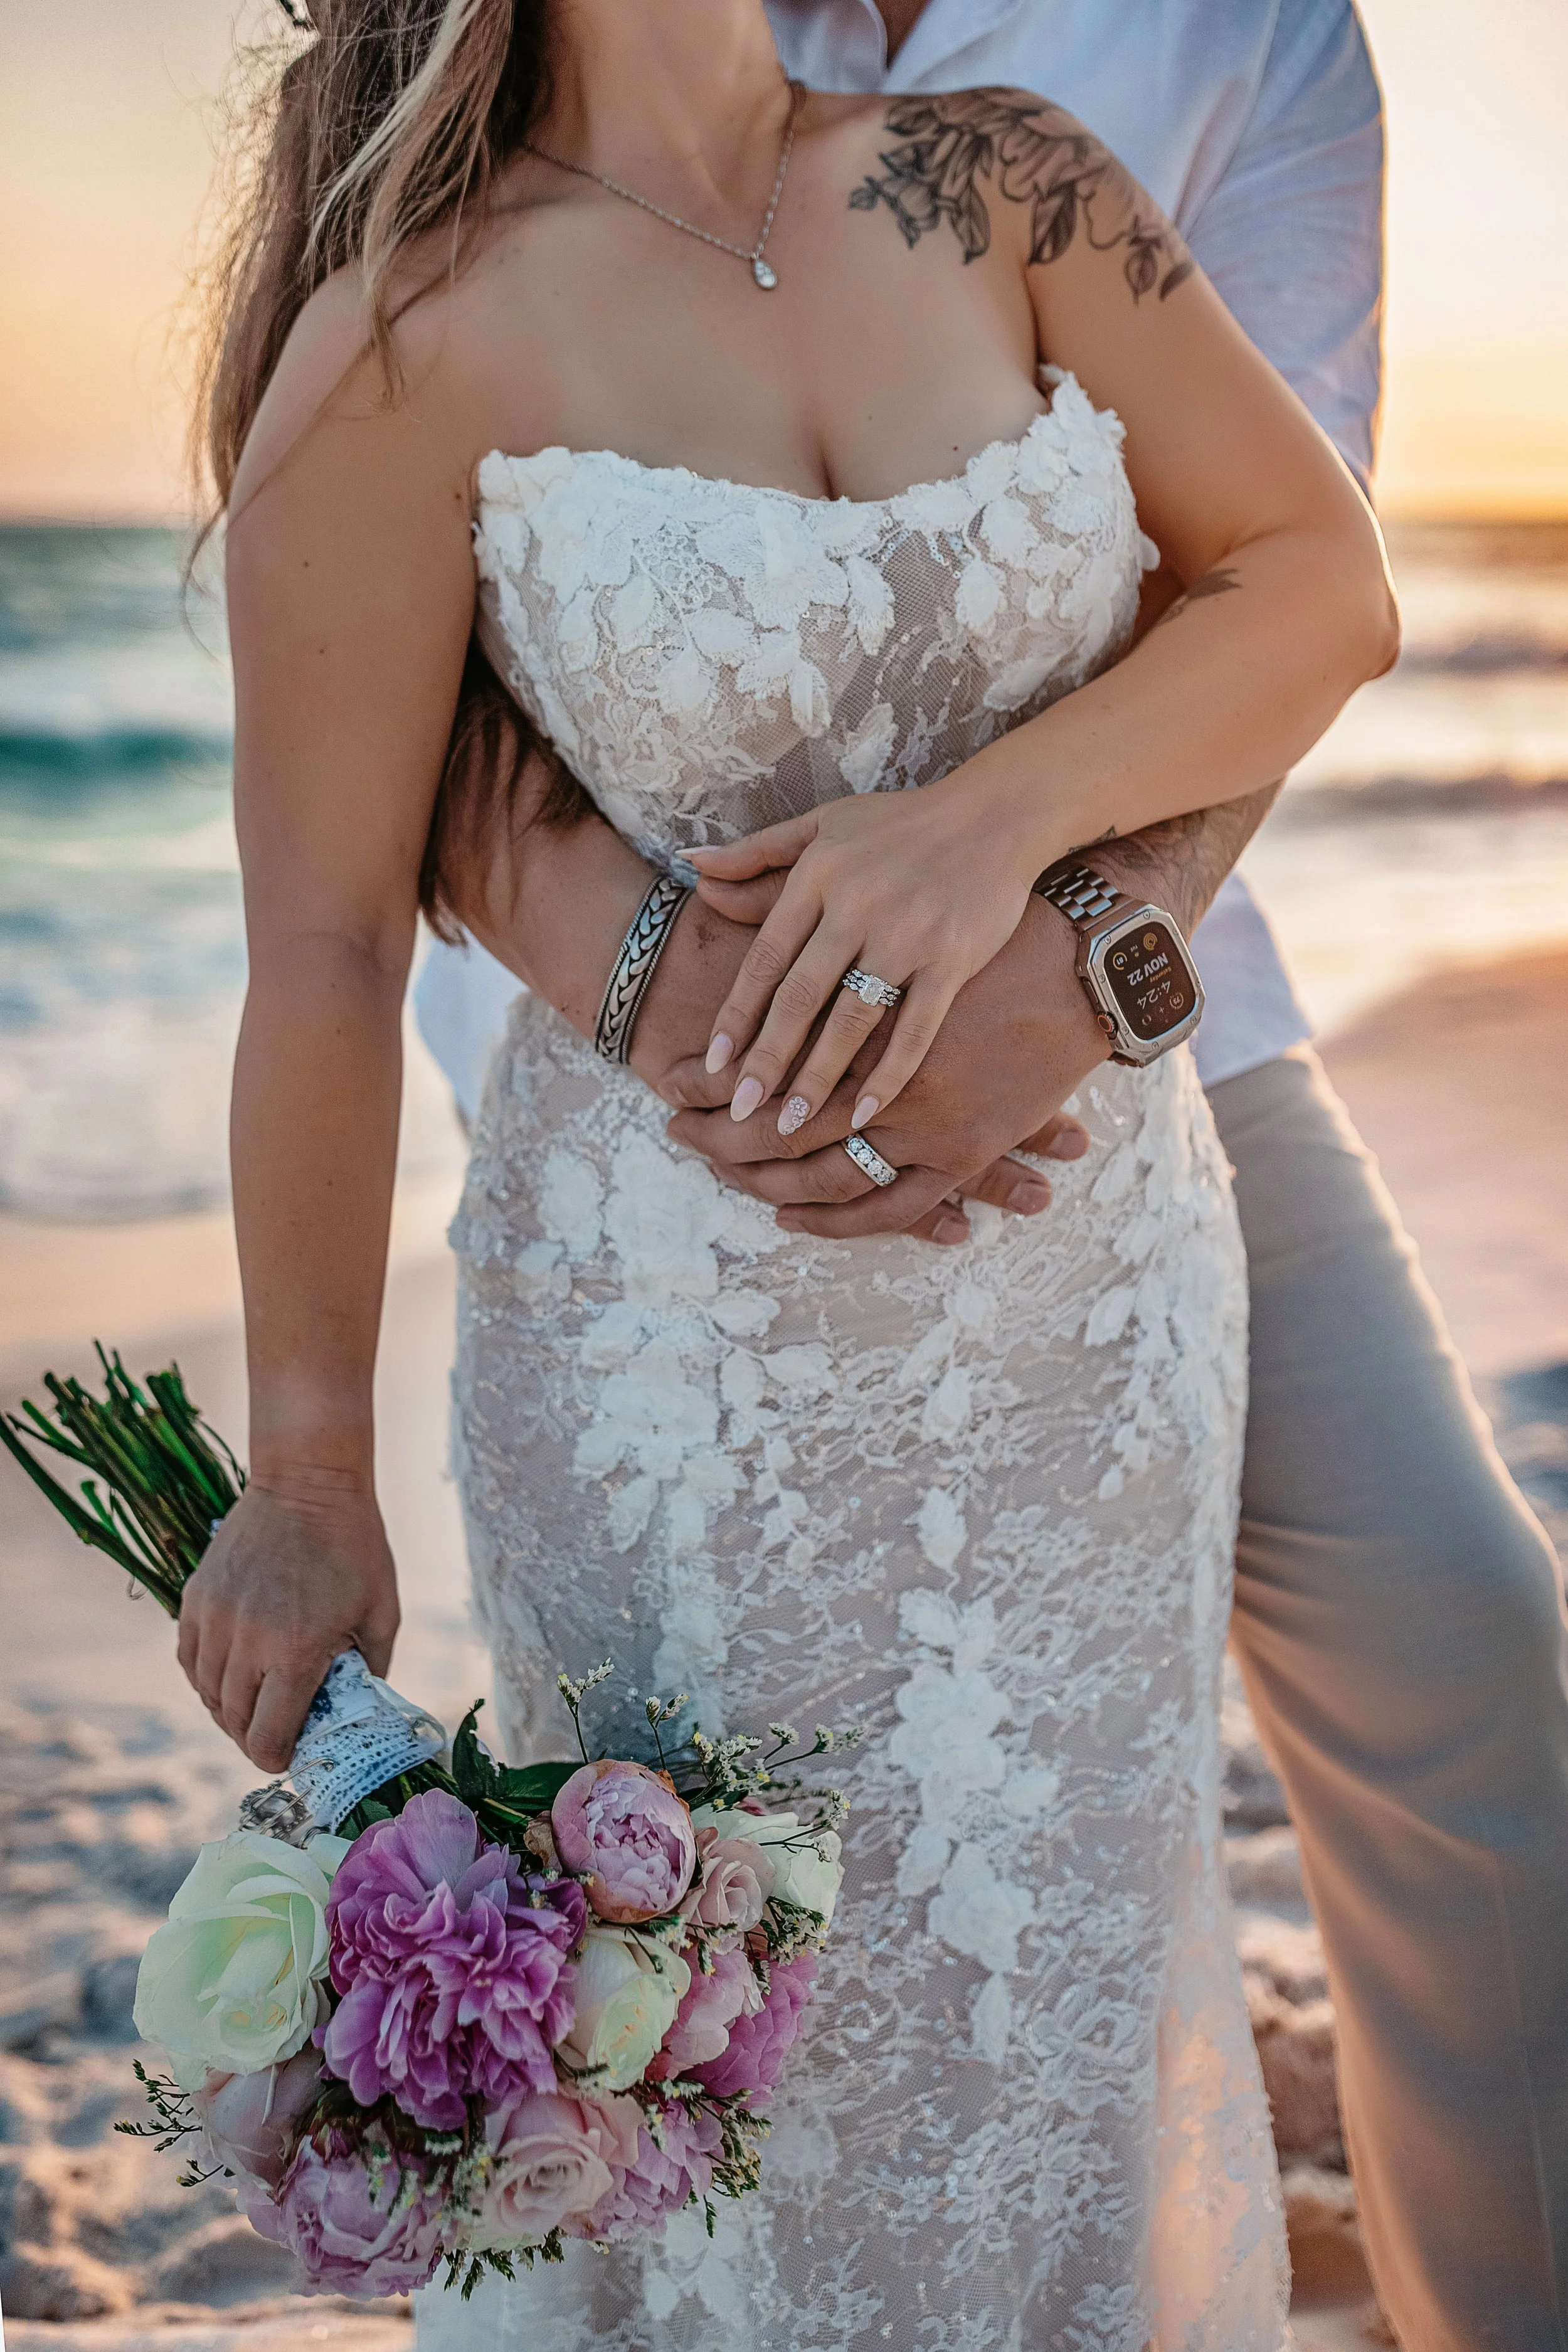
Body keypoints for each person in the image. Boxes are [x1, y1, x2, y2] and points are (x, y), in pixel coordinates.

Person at [411, 6, 1568, 2345]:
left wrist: (1076, 963)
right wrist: (685, 1015)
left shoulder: (1235, 41)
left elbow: (1264, 583)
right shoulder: (547, 55)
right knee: (732, 1870)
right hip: (659, 1107)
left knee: (1473, 1684)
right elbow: (371, 663)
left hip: (1141, 1071)